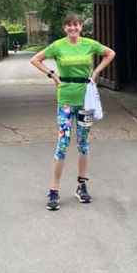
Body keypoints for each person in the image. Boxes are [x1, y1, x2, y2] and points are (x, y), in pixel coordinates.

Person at [30, 12, 115, 211]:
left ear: (80, 27)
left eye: (76, 25)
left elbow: (110, 53)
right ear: (65, 28)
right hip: (66, 98)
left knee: (83, 144)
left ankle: (82, 186)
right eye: (69, 25)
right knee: (63, 142)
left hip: (85, 99)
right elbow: (36, 59)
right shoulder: (58, 46)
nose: (73, 28)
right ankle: (54, 190)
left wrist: (96, 72)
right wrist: (52, 74)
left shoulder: (89, 44)